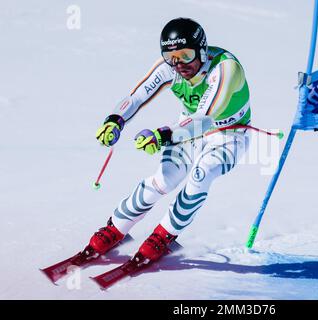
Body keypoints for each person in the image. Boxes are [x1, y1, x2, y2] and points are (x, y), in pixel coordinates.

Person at [82, 17, 252, 265]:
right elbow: (137, 97)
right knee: (164, 180)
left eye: (185, 55)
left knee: (201, 175)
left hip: (229, 134)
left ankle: (164, 236)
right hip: (185, 129)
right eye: (171, 57)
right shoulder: (169, 67)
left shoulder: (225, 69)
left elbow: (205, 118)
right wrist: (115, 120)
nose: (178, 64)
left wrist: (162, 135)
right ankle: (116, 227)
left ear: (202, 50)